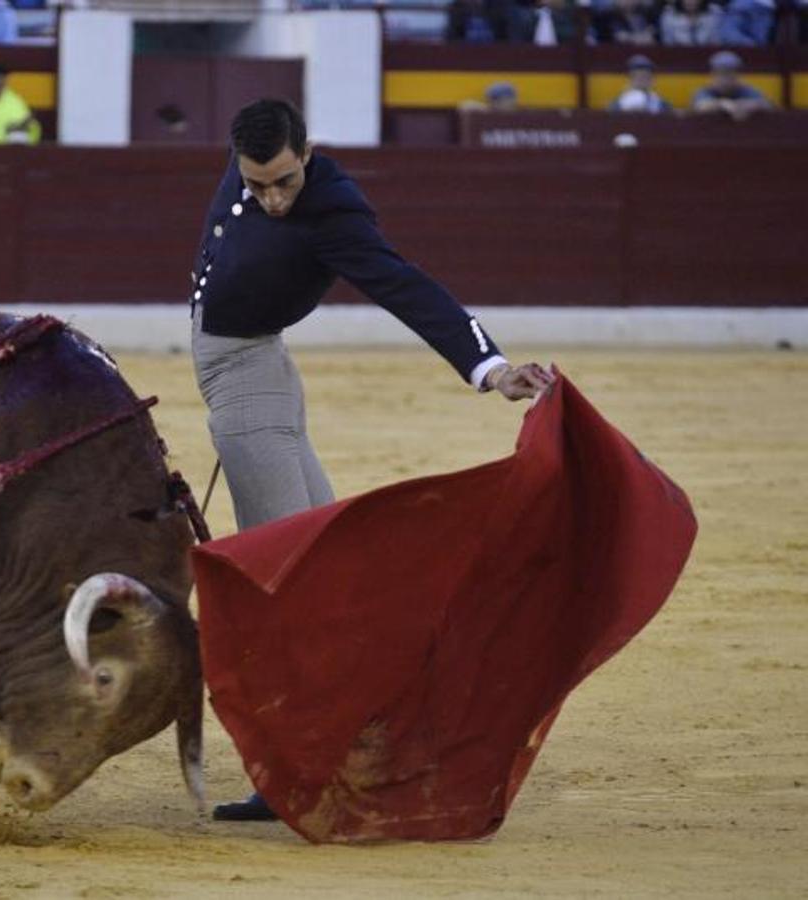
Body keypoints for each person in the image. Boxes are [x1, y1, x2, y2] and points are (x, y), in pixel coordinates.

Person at [192, 100, 552, 822]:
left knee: (286, 583)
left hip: (250, 383)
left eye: (284, 183)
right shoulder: (256, 154)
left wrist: (489, 366)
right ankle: (346, 749)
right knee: (315, 567)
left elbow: (405, 288)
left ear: (310, 152)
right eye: (256, 183)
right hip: (258, 371)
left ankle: (294, 771)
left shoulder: (332, 214)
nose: (270, 199)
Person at [691, 50, 774, 120]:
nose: (725, 80)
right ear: (713, 75)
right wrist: (723, 104)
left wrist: (745, 105)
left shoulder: (746, 89)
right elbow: (699, 106)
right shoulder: (705, 90)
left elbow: (767, 106)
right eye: (721, 74)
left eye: (730, 74)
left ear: (738, 76)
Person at [608, 54, 672, 113]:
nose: (641, 81)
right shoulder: (618, 104)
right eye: (637, 77)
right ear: (630, 80)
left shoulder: (661, 104)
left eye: (645, 77)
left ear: (652, 80)